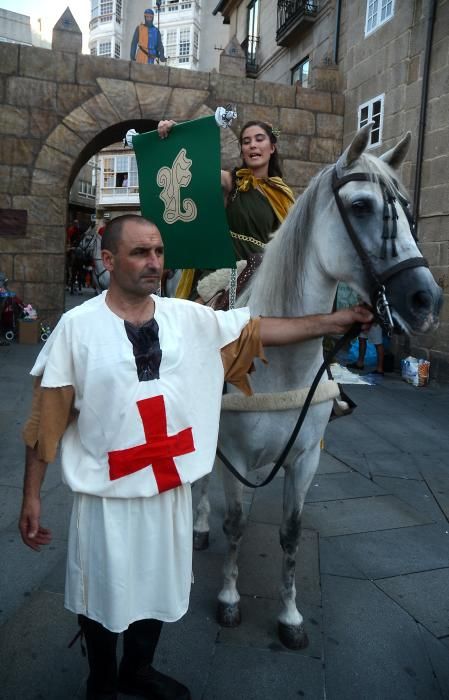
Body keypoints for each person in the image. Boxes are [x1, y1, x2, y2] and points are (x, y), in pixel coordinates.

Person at [18, 214, 372, 700]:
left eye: (159, 252)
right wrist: (31, 496)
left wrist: (334, 321)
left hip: (168, 491)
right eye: (141, 252)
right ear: (107, 259)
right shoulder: (77, 329)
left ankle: (137, 670)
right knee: (100, 594)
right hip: (107, 498)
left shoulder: (187, 319)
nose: (154, 263)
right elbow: (46, 421)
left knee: (159, 588)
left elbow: (258, 330)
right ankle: (100, 679)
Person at [157, 119, 295, 301]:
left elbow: (291, 243)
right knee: (200, 315)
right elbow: (197, 165)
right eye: (246, 142)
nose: (253, 145)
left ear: (272, 147)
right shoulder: (232, 182)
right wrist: (178, 133)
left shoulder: (282, 194)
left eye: (259, 139)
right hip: (223, 273)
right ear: (243, 151)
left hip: (264, 275)